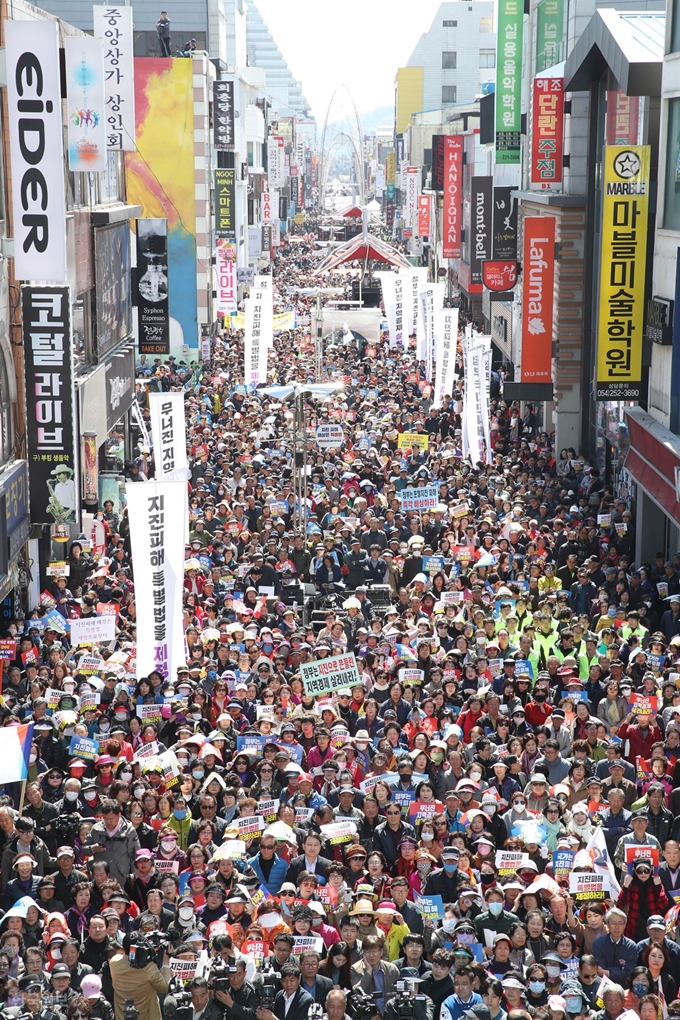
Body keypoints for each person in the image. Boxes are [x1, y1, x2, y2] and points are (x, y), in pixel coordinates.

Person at [107, 932, 170, 1020]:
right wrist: (166, 963)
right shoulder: (148, 967)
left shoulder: (114, 962)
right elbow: (163, 988)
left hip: (122, 1016)